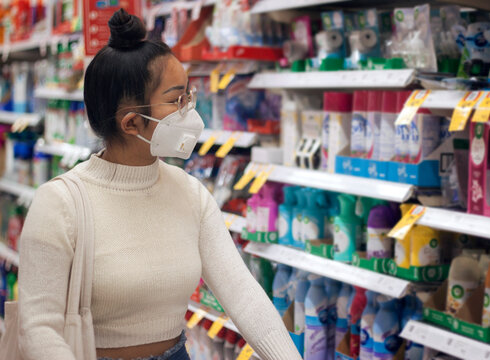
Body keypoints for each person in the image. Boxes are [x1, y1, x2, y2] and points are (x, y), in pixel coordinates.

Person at [17, 9, 302, 360]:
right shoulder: (60, 203)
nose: (189, 110)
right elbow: (38, 328)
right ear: (132, 123)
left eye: (188, 95)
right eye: (176, 99)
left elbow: (244, 296)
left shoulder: (190, 193)